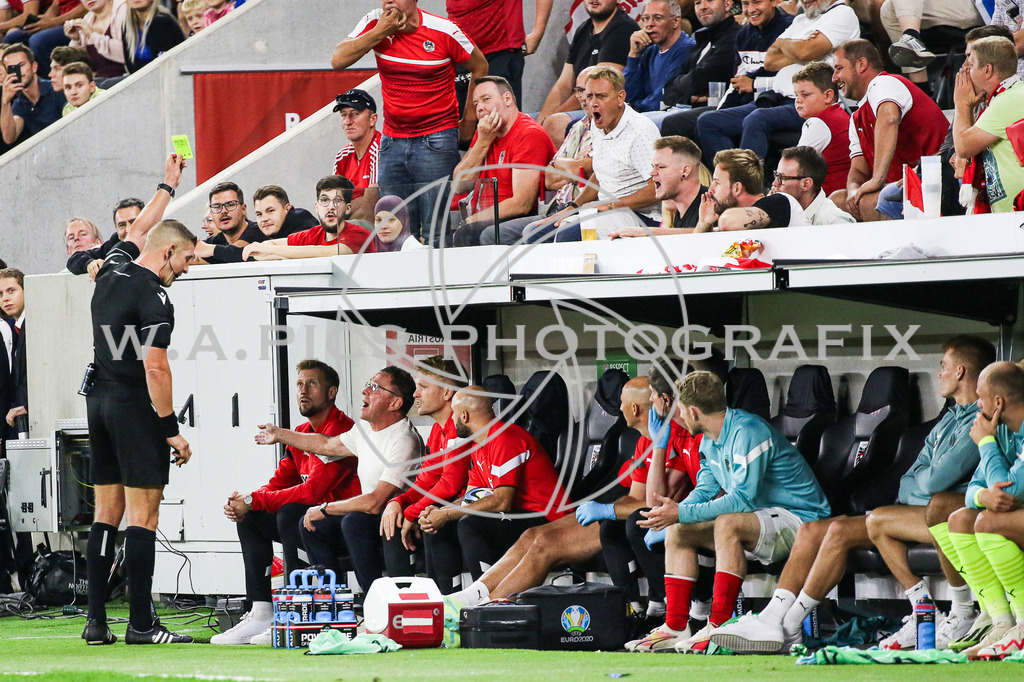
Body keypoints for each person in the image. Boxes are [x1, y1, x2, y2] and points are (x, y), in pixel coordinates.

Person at [710, 336, 996, 654]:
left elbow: (934, 482)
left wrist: (920, 487)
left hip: (952, 515)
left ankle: (933, 612)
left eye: (943, 366)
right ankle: (780, 621)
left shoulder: (979, 419)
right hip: (918, 511)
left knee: (879, 518)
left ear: (960, 371)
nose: (939, 373)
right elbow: (909, 479)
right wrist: (920, 486)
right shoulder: (948, 419)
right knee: (822, 530)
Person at [442, 376, 700, 618]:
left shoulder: (672, 439)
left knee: (545, 547)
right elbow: (636, 496)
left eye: (622, 402)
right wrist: (606, 505)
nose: (618, 408)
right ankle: (472, 596)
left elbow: (656, 503)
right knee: (532, 535)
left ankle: (489, 610)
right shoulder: (645, 441)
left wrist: (607, 510)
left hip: (652, 521)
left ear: (634, 409)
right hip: (627, 513)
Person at [631, 370, 830, 653]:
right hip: (762, 519)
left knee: (727, 523)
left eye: (682, 411)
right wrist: (673, 513)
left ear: (694, 412)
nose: (679, 417)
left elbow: (743, 501)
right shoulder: (709, 439)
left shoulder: (747, 431)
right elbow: (706, 488)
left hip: (803, 520)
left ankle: (718, 626)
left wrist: (681, 513)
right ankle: (675, 626)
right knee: (679, 530)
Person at [82, 153, 196, 645]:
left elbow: (143, 227)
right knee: (144, 516)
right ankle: (142, 625)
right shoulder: (155, 297)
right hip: (132, 407)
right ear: (169, 252)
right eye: (186, 259)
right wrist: (171, 430)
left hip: (98, 402)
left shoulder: (113, 268)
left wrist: (168, 185)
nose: (186, 270)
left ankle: (95, 622)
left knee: (105, 515)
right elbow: (155, 367)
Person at [210, 359, 360, 646]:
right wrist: (246, 501)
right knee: (253, 518)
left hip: (344, 525)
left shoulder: (342, 431)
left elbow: (312, 493)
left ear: (332, 392)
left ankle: (295, 613)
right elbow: (279, 482)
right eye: (300, 384)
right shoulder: (301, 432)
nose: (303, 390)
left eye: (312, 384)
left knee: (290, 513)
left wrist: (254, 499)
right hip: (313, 522)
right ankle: (261, 613)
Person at [331, 0, 488, 245]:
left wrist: (469, 120)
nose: (389, 1)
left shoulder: (444, 30)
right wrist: (380, 32)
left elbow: (480, 66)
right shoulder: (375, 22)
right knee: (396, 229)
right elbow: (338, 59)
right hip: (392, 140)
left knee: (436, 230)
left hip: (437, 137)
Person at [258, 367, 421, 595]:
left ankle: (373, 599)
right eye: (368, 384)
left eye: (375, 387)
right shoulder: (364, 429)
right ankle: (331, 599)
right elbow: (326, 444)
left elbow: (376, 502)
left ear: (394, 403)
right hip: (369, 518)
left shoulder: (404, 440)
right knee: (312, 525)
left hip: (395, 520)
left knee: (353, 521)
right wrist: (279, 434)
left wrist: (325, 508)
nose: (365, 391)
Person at [417, 386, 568, 582]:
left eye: (453, 414)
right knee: (438, 525)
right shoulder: (478, 444)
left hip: (548, 519)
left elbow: (502, 502)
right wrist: (439, 512)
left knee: (471, 524)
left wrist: (446, 513)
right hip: (518, 515)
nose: (452, 420)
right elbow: (471, 498)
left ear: (464, 416)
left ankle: (484, 593)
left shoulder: (505, 438)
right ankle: (445, 597)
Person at [694, 0, 860, 169]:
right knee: (708, 122)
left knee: (757, 119)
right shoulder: (801, 20)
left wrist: (787, 45)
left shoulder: (842, 14)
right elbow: (770, 61)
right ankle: (726, 177)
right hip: (776, 98)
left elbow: (805, 52)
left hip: (810, 101)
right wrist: (798, 47)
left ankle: (746, 182)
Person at [942, 361, 1024, 658]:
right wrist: (982, 497)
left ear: (998, 402)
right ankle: (1002, 622)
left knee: (987, 523)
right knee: (960, 520)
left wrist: (986, 442)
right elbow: (974, 490)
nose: (977, 403)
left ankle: (1023, 625)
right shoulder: (1001, 430)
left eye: (981, 396)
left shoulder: (992, 434)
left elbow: (1010, 494)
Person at [525, 67, 661, 243]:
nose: (593, 103)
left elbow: (657, 187)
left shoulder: (640, 131)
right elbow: (600, 173)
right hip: (605, 210)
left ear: (620, 97)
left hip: (641, 215)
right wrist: (573, 207)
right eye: (589, 96)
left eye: (601, 96)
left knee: (566, 237)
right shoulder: (598, 126)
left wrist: (610, 205)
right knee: (534, 233)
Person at [829, 40, 948, 222]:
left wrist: (877, 180)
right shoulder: (857, 117)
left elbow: (889, 118)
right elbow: (858, 170)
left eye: (839, 68)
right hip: (900, 186)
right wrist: (853, 190)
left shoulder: (884, 82)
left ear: (861, 64)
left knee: (870, 202)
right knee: (837, 201)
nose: (834, 78)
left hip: (936, 178)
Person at [379, 356, 470, 593]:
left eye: (423, 387)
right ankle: (402, 601)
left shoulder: (461, 427)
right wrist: (399, 502)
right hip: (450, 507)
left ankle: (445, 601)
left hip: (470, 510)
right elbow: (427, 480)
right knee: (393, 520)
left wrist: (412, 511)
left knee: (431, 521)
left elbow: (451, 484)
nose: (415, 394)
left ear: (447, 392)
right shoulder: (438, 429)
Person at [659, 0, 791, 138]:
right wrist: (719, 110)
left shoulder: (789, 29)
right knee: (692, 121)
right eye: (746, 4)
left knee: (693, 122)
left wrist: (754, 84)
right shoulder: (741, 35)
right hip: (741, 104)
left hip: (776, 103)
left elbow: (699, 79)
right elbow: (670, 84)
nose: (751, 9)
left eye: (757, 2)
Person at [450, 75, 556, 246]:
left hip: (519, 217)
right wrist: (482, 142)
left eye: (486, 99)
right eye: (476, 104)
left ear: (507, 99)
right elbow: (458, 186)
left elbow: (522, 204)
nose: (480, 108)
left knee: (467, 234)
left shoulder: (528, 134)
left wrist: (471, 222)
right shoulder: (484, 132)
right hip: (485, 216)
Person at [537, 0, 637, 147]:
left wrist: (549, 120)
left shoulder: (622, 29)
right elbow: (563, 85)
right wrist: (542, 119)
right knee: (527, 121)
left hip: (607, 109)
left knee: (555, 124)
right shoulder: (583, 29)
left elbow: (596, 91)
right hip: (583, 106)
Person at [952, 36, 1024, 213]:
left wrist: (961, 104)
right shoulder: (1009, 95)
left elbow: (964, 147)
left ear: (987, 70)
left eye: (971, 65)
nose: (966, 71)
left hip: (1017, 215)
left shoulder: (1009, 99)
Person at [447, 0, 552, 110]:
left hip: (498, 52)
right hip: (461, 55)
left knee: (499, 117)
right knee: (460, 117)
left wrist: (537, 33)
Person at [239, 175, 375, 261]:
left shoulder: (360, 234)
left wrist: (272, 252)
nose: (330, 207)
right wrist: (274, 253)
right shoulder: (313, 234)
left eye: (337, 201)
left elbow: (326, 253)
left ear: (348, 208)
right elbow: (265, 249)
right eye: (324, 200)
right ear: (317, 206)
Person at [652, 0, 740, 128]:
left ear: (727, 4)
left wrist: (679, 84)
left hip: (716, 112)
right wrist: (688, 97)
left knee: (645, 125)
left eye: (710, 0)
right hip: (683, 108)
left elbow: (699, 79)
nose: (703, 7)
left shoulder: (734, 38)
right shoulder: (703, 40)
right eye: (698, 3)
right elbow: (668, 88)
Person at [608, 135, 708, 237]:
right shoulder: (679, 213)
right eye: (653, 167)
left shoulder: (711, 202)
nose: (652, 173)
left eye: (661, 167)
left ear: (685, 171)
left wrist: (649, 232)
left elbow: (715, 233)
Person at [693, 148, 809, 232]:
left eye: (717, 183)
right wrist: (704, 223)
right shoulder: (740, 224)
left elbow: (727, 222)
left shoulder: (779, 202)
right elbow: (697, 249)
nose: (711, 189)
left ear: (737, 188)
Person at [883, 0, 981, 96]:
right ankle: (923, 91)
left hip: (978, 8)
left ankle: (922, 94)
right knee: (888, 10)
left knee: (892, 9)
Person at [623, 0, 694, 113]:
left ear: (676, 21)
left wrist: (634, 109)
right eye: (646, 18)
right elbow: (627, 95)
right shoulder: (650, 51)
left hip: (667, 114)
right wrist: (634, 55)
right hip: (642, 112)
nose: (649, 24)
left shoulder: (686, 49)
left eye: (657, 18)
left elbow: (663, 98)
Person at [791, 61, 849, 196]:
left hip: (829, 199)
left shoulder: (819, 123)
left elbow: (793, 169)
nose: (798, 100)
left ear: (828, 96)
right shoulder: (840, 116)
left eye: (805, 95)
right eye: (796, 95)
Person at [1, 43, 65, 146]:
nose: (18, 71)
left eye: (21, 65)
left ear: (34, 67)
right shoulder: (19, 104)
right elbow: (9, 137)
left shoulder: (56, 89)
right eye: (12, 68)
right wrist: (5, 101)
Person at [770, 146, 854, 225]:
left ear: (806, 184)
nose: (774, 183)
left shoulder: (835, 222)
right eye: (776, 175)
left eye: (782, 178)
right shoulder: (776, 211)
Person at [3, 0, 86, 79]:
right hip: (61, 20)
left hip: (78, 23)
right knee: (14, 37)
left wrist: (55, 22)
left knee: (38, 41)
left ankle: (49, 82)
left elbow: (85, 7)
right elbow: (56, 5)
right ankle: (21, 83)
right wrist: (45, 20)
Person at [332, 89, 380, 225]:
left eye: (355, 114)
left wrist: (349, 206)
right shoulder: (342, 156)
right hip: (349, 228)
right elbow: (332, 208)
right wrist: (360, 201)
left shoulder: (381, 149)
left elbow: (369, 212)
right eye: (343, 115)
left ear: (373, 119)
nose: (348, 121)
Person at [67, 197, 143, 278]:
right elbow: (74, 260)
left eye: (133, 222)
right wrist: (90, 264)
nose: (128, 230)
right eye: (122, 225)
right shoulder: (113, 246)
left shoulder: (153, 242)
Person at [65, 0, 128, 80]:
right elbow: (78, 67)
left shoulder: (123, 10)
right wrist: (76, 40)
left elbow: (127, 55)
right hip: (97, 82)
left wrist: (92, 35)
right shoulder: (87, 19)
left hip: (127, 78)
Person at [122, 0, 185, 73]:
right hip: (140, 76)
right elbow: (130, 66)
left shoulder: (162, 22)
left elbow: (159, 67)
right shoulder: (126, 26)